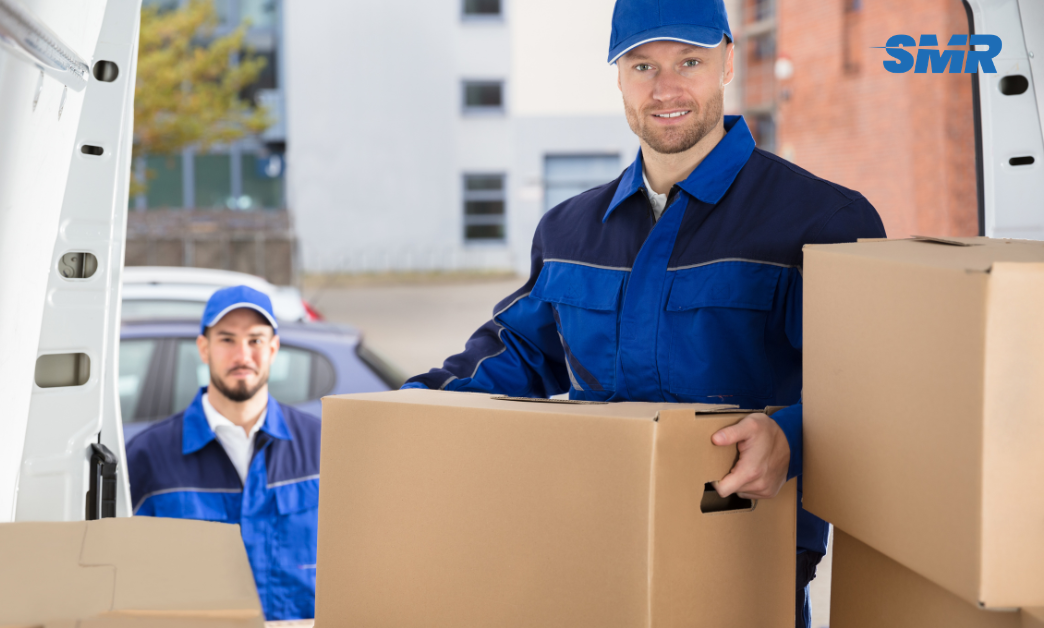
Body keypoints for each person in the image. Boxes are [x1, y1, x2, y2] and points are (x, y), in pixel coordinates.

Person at [402, 0, 885, 625]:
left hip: (745, 553)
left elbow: (874, 392)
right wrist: (406, 414)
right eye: (642, 66)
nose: (666, 88)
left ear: (728, 63)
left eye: (689, 60)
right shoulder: (570, 230)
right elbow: (518, 355)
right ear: (619, 77)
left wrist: (791, 437)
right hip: (589, 546)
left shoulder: (823, 222)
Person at [127, 285, 320, 621]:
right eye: (227, 339)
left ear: (274, 348)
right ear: (204, 348)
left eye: (255, 340)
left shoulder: (322, 445)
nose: (242, 356)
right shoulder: (148, 455)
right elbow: (127, 577)